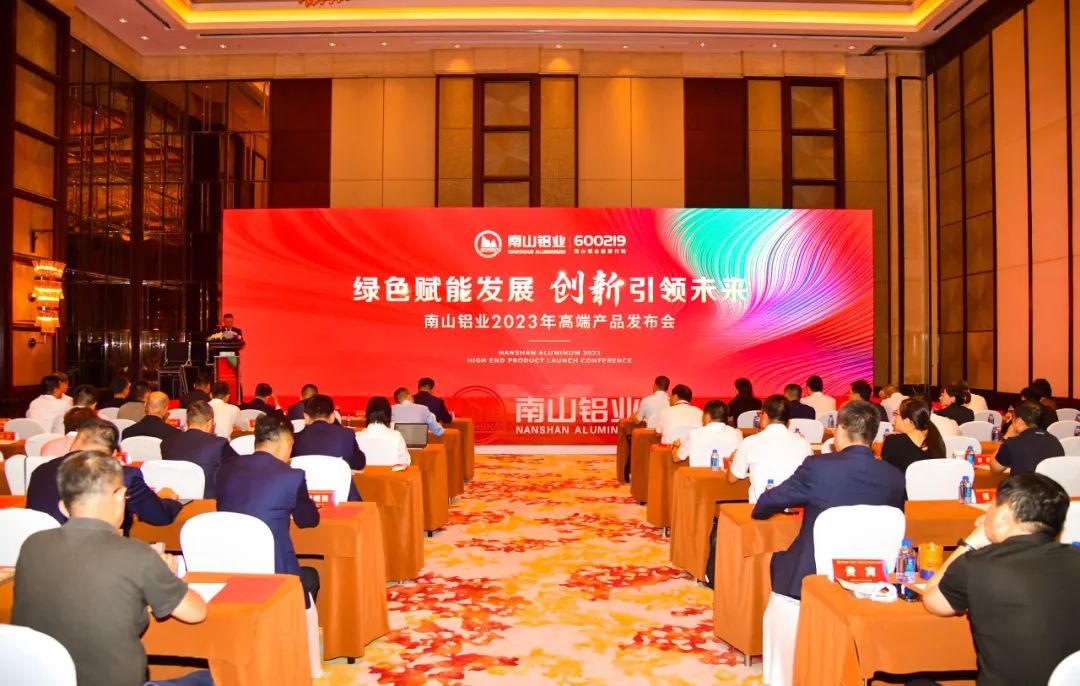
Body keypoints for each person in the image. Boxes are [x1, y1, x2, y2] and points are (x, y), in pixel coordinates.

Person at [13, 452, 210, 686]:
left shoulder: (32, 546)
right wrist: (166, 574)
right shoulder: (136, 555)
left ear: (63, 507)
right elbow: (196, 612)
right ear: (120, 497)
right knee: (214, 678)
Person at [922, 473, 1080, 685]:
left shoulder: (977, 565)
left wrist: (973, 541)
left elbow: (933, 600)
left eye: (991, 506)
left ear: (1003, 515)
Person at [752, 400, 906, 599]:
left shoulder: (818, 467)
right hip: (872, 577)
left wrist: (760, 509)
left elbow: (771, 501)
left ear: (840, 429)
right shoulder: (895, 477)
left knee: (764, 556)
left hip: (814, 574)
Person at [215, 414, 320, 606]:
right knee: (312, 576)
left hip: (229, 572)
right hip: (276, 577)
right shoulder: (292, 476)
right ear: (285, 443)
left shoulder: (224, 471)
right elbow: (308, 520)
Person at [26, 418, 183, 534]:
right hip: (93, 559)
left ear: (75, 442)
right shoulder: (122, 476)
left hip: (41, 556)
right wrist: (169, 500)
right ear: (114, 454)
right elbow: (159, 515)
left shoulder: (40, 471)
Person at [728, 395, 813, 502]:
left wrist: (734, 460)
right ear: (788, 421)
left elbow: (732, 478)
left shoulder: (750, 442)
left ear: (765, 416)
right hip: (795, 508)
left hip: (760, 509)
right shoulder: (804, 444)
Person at [292, 394, 365, 501]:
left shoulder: (296, 439)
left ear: (306, 417)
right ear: (332, 417)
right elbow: (359, 463)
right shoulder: (346, 434)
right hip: (341, 498)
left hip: (304, 499)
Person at [161, 400, 236, 498]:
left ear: (186, 423)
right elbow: (237, 467)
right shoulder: (219, 444)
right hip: (207, 503)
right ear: (210, 423)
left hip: (175, 501)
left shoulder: (166, 443)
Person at [992, 401, 1064, 475]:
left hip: (1023, 482)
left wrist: (1006, 437)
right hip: (1049, 482)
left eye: (1013, 418)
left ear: (1019, 421)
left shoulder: (1012, 443)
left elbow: (995, 468)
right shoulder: (1055, 441)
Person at [882, 397, 947, 476]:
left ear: (907, 421)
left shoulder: (894, 442)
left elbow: (885, 472)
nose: (894, 418)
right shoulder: (937, 440)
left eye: (896, 414)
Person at [676, 400, 742, 467]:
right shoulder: (736, 433)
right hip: (725, 473)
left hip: (699, 474)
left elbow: (676, 458)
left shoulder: (694, 434)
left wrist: (676, 446)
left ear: (707, 416)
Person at [356, 396, 411, 466]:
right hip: (391, 473)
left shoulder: (357, 437)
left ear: (367, 414)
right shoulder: (396, 436)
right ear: (388, 414)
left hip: (365, 473)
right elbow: (405, 462)